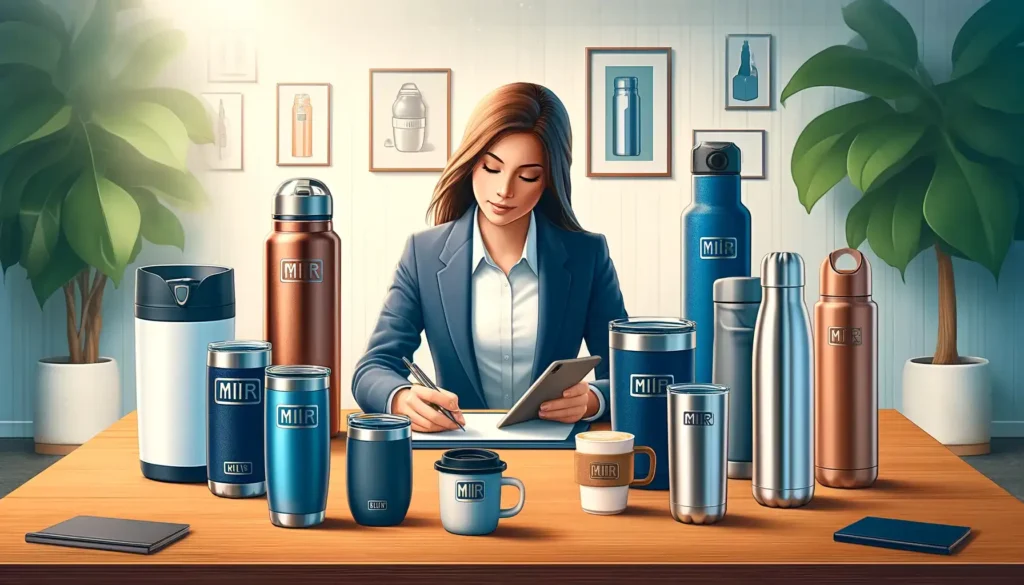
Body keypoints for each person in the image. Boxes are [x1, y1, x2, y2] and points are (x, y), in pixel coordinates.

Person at [352, 82, 628, 432]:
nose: (504, 191)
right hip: (458, 451)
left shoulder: (586, 255)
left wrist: (592, 399)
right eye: (492, 168)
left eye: (528, 176)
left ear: (549, 182)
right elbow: (372, 368)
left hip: (554, 452)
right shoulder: (424, 254)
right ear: (470, 163)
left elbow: (629, 374)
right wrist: (401, 397)